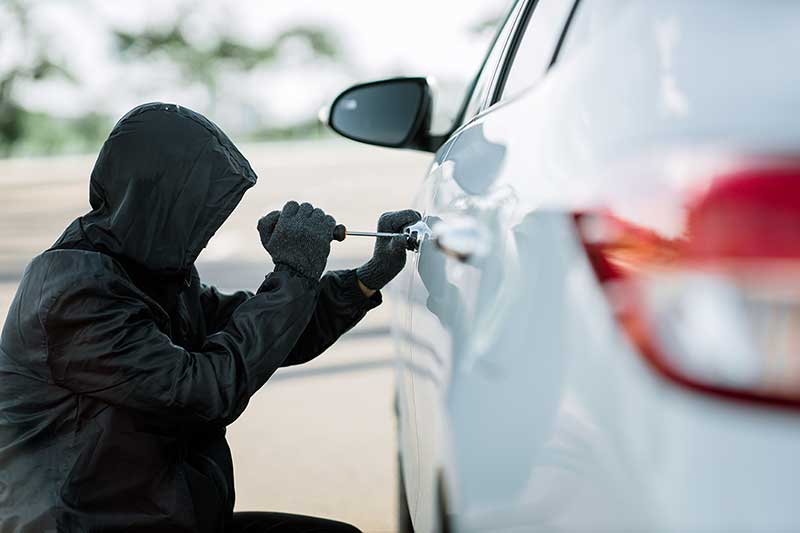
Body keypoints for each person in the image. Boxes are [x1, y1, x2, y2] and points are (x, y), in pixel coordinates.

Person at [0, 103, 420, 532]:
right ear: (154, 197)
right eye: (196, 212)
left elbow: (263, 339)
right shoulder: (74, 295)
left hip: (153, 515)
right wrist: (293, 275)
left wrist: (362, 281)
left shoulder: (148, 272)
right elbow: (204, 390)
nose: (207, 230)